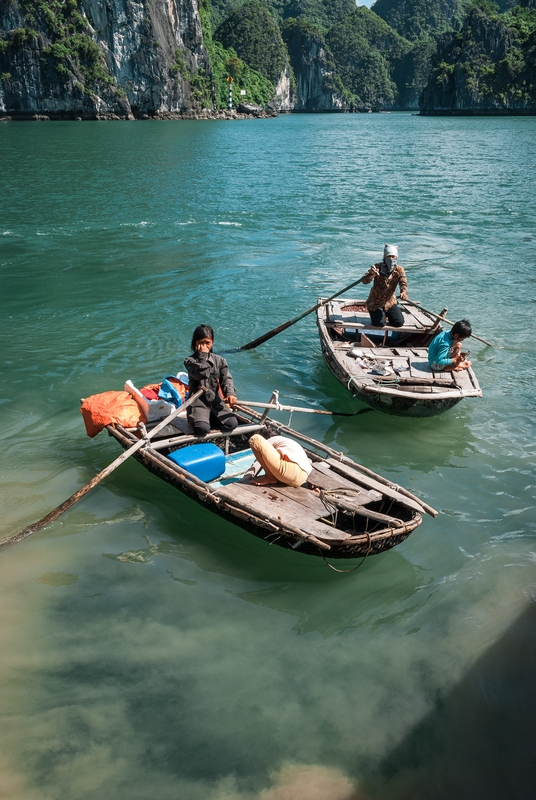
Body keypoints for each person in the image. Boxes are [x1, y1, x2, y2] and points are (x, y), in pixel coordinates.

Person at [184, 324, 238, 437]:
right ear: (195, 343)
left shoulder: (220, 361)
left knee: (232, 424)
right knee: (202, 430)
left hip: (216, 403)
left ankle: (208, 420)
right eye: (200, 343)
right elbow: (201, 374)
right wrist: (202, 356)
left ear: (212, 342)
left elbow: (226, 379)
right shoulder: (189, 361)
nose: (204, 346)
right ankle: (201, 421)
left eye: (207, 343)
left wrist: (230, 393)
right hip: (198, 404)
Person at [361, 244, 408, 327]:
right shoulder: (376, 268)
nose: (391, 259)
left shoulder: (400, 270)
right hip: (375, 302)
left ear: (396, 258)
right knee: (380, 324)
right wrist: (372, 275)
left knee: (399, 322)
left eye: (393, 257)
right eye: (389, 256)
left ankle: (385, 313)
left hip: (390, 302)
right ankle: (377, 313)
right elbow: (364, 281)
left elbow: (403, 283)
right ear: (385, 257)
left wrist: (403, 292)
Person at [246, 434, 312, 488]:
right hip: (302, 478)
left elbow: (257, 462)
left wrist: (245, 479)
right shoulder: (287, 442)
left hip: (290, 472)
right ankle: (273, 477)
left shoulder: (273, 440)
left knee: (255, 439)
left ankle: (270, 477)